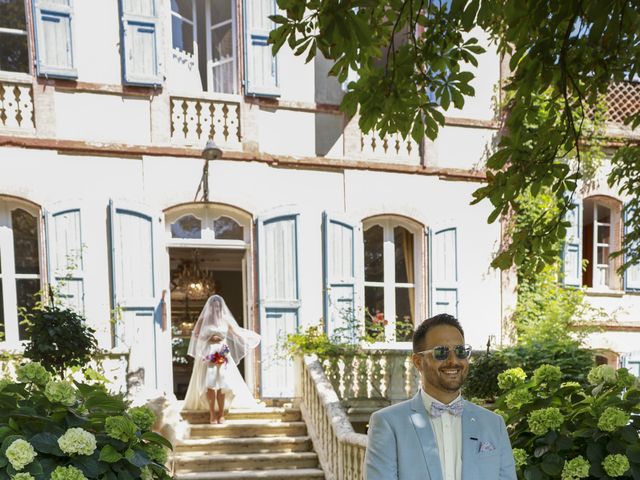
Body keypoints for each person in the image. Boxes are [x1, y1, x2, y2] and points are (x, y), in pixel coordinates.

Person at [364, 314, 517, 480]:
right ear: (417, 361)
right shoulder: (388, 423)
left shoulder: (494, 424)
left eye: (460, 351)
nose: (453, 361)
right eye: (441, 352)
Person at [182, 294, 261, 423]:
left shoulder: (226, 320)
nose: (216, 308)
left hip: (223, 353)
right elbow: (195, 335)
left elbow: (237, 333)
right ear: (210, 307)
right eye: (213, 306)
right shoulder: (203, 320)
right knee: (210, 384)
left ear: (221, 307)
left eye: (218, 306)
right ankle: (212, 414)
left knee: (223, 384)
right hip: (208, 354)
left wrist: (251, 337)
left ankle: (221, 414)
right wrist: (208, 338)